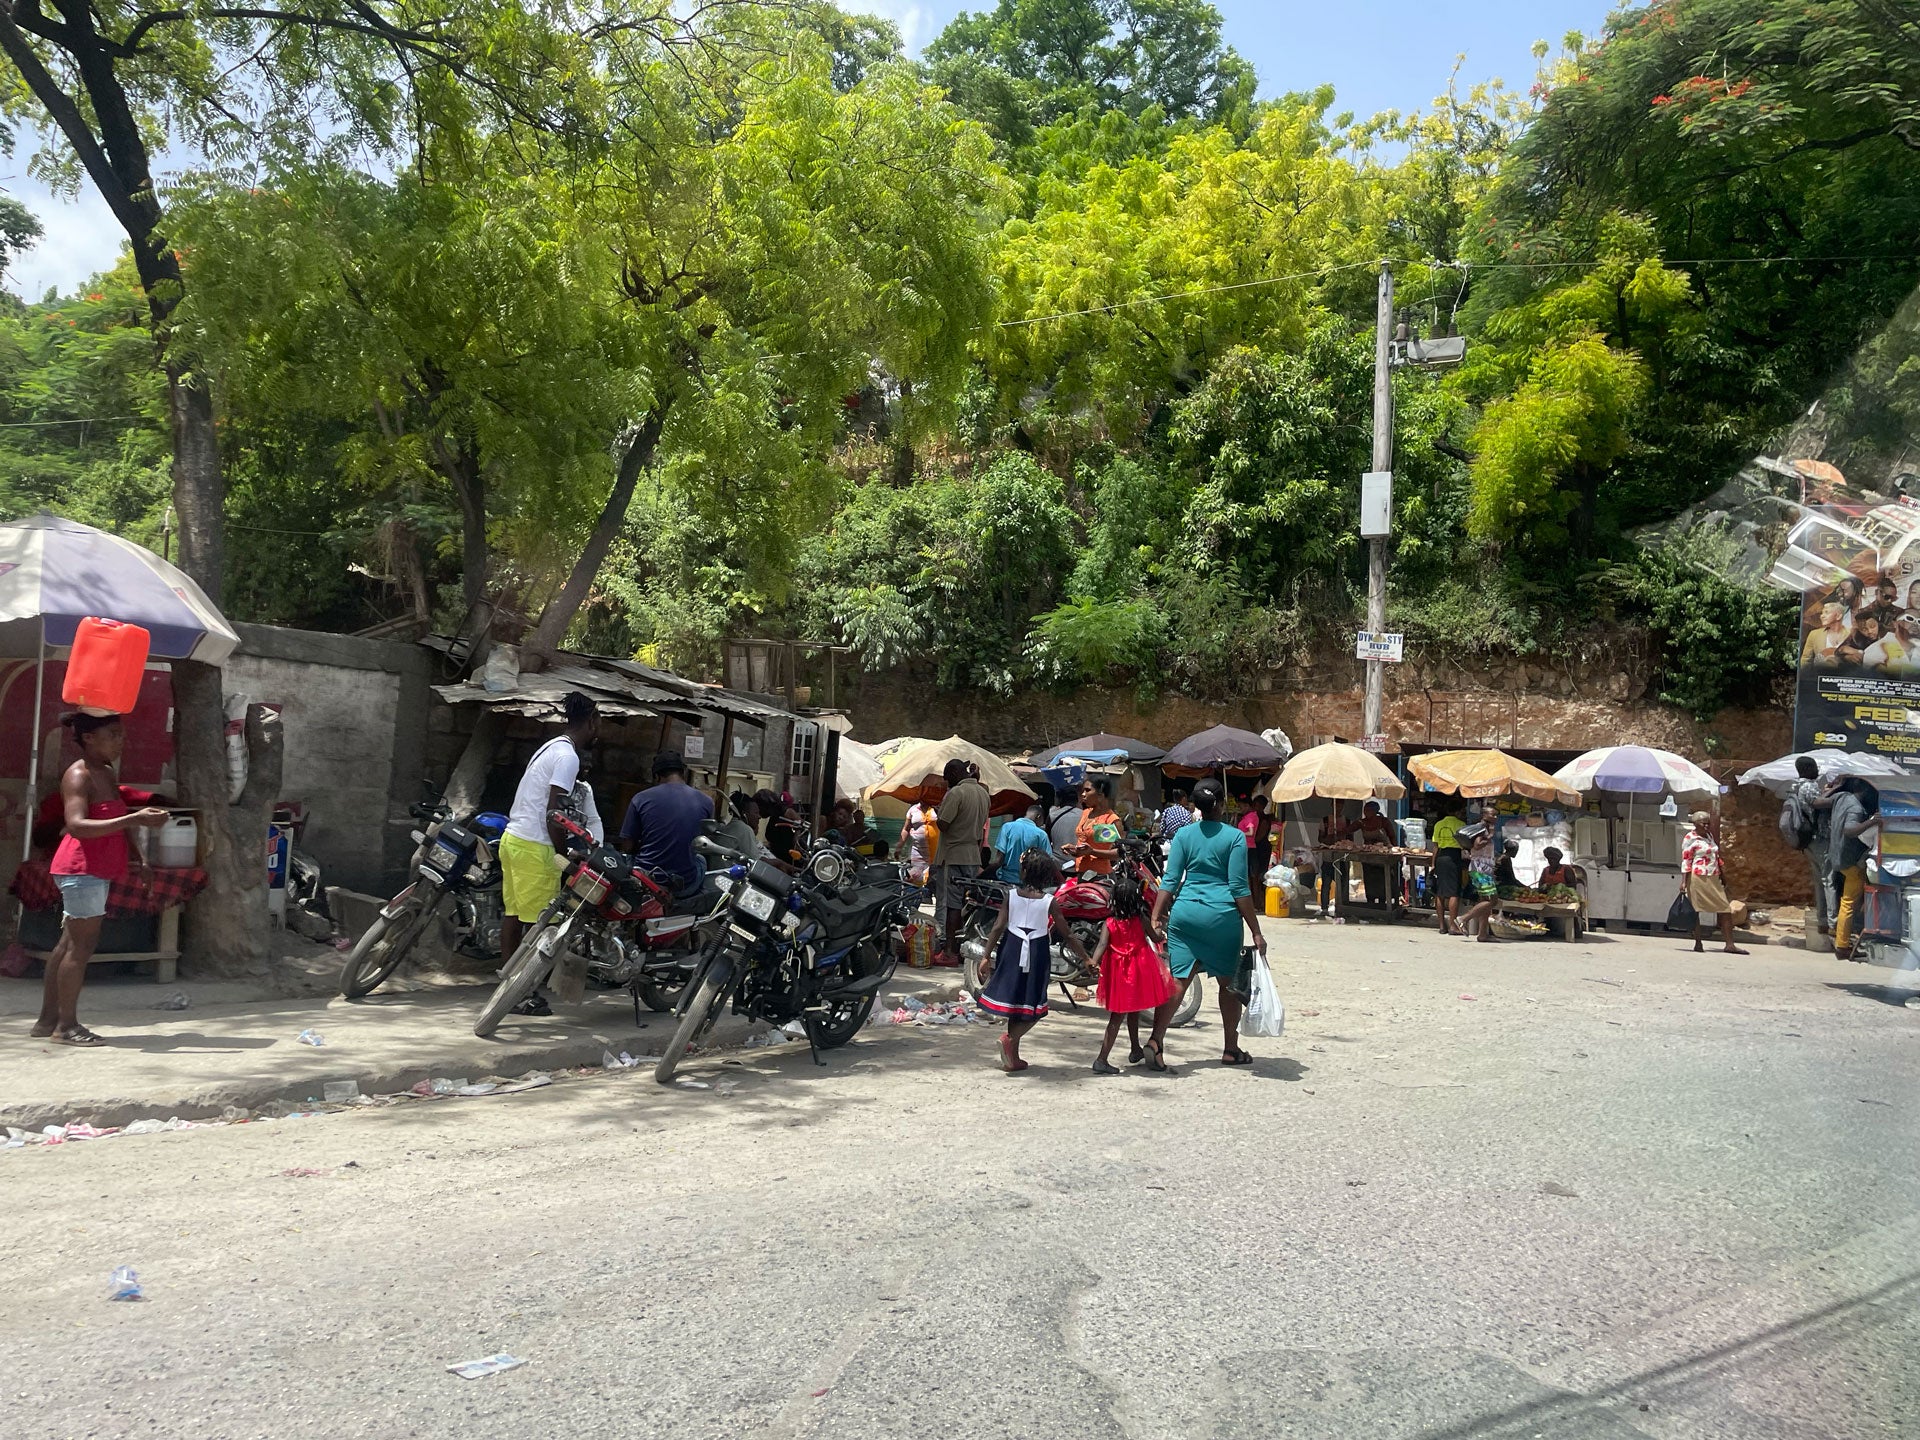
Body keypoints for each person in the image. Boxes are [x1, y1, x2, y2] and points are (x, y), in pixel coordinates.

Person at [32, 713, 169, 1046]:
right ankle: (67, 1027)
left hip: (96, 869)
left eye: (121, 735)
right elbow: (76, 825)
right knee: (80, 949)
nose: (120, 742)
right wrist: (135, 819)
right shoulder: (78, 776)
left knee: (67, 945)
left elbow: (118, 819)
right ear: (89, 738)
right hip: (81, 869)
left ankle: (47, 1021)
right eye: (113, 735)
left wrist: (139, 858)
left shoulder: (106, 772)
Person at [1150, 778, 1268, 1068]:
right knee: (1229, 984)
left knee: (1179, 979)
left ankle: (1156, 1040)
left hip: (1185, 914)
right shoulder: (1234, 837)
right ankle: (1230, 1048)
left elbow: (1171, 879)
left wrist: (1155, 916)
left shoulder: (1183, 836)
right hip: (1221, 917)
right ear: (1219, 803)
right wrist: (1256, 930)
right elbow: (1240, 888)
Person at [498, 690, 599, 1012]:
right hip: (535, 845)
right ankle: (521, 993)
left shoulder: (549, 746)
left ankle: (508, 985)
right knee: (539, 925)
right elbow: (555, 813)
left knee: (514, 916)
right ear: (593, 723)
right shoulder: (569, 758)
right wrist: (563, 855)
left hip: (513, 838)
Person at [976, 849, 1093, 1072]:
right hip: (1036, 952)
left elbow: (998, 927)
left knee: (1016, 1006)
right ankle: (1010, 1039)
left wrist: (985, 956)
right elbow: (1068, 934)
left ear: (1024, 871)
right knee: (1036, 1006)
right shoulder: (1050, 902)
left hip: (1011, 948)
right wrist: (1086, 958)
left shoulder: (1010, 895)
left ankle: (1013, 1056)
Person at [1090, 866, 1179, 1075]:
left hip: (1118, 973)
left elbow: (1102, 946)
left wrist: (1093, 962)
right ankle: (1101, 1059)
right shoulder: (1140, 920)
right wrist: (1160, 927)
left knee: (1128, 1011)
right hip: (1138, 971)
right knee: (1125, 1014)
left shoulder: (1109, 923)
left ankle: (1135, 1049)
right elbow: (1156, 938)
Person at [619, 750, 715, 896]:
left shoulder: (640, 799)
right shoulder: (707, 802)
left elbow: (627, 846)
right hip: (686, 884)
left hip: (647, 881)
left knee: (627, 858)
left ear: (657, 776)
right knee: (700, 858)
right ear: (683, 773)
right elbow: (706, 843)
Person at [934, 759, 990, 963]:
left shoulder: (956, 793)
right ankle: (960, 946)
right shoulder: (984, 794)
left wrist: (938, 812)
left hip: (953, 855)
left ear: (956, 772)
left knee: (952, 905)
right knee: (969, 903)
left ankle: (949, 952)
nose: (946, 780)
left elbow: (944, 824)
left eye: (948, 776)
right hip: (972, 857)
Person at [1680, 810, 1749, 956]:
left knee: (1725, 909)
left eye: (1708, 823)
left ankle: (1730, 944)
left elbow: (1716, 857)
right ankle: (1698, 942)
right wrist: (1683, 882)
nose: (1706, 826)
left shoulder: (1709, 836)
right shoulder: (1690, 838)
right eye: (1703, 823)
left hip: (1713, 876)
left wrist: (1723, 875)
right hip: (1698, 877)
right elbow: (1686, 860)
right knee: (1696, 910)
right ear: (1695, 824)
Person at [1827, 775, 1879, 960]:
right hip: (1851, 862)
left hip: (1837, 856)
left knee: (1848, 902)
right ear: (1864, 790)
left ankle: (1842, 936)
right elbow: (1849, 831)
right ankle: (1842, 946)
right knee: (1849, 904)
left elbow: (1819, 801)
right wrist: (1872, 822)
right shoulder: (1856, 808)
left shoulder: (1842, 798)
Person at [1789, 756, 1834, 938]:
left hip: (1808, 840)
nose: (1818, 770)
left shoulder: (1796, 785)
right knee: (1828, 879)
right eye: (1815, 767)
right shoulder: (1808, 785)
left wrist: (1828, 791)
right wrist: (1838, 796)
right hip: (1819, 839)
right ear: (1808, 769)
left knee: (1819, 880)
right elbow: (1817, 803)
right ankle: (1831, 921)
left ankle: (1822, 919)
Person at [1067, 778, 1120, 877]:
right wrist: (1075, 850)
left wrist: (1092, 851)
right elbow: (1088, 845)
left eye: (1087, 790)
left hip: (1099, 876)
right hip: (1081, 873)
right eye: (1083, 791)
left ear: (1100, 795)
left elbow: (1117, 853)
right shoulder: (1086, 813)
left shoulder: (1108, 819)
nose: (1083, 794)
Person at [1430, 800, 1467, 935]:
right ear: (1457, 812)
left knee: (1439, 892)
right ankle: (1452, 926)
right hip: (1453, 858)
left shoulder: (1439, 824)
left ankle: (1441, 926)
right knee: (1454, 893)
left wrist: (1433, 864)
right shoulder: (1461, 825)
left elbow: (1435, 846)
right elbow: (1464, 845)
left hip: (1440, 857)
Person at [1353, 800, 1399, 907]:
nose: (1365, 812)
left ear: (1374, 811)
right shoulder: (1361, 822)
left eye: (1368, 810)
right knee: (1369, 881)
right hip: (1368, 857)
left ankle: (1383, 904)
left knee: (1382, 882)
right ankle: (1371, 903)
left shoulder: (1384, 822)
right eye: (1365, 810)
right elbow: (1349, 829)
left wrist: (1394, 849)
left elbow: (1392, 836)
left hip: (1382, 857)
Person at [993, 802, 1052, 884]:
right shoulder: (1041, 834)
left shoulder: (1007, 827)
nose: (1042, 824)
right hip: (1029, 883)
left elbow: (999, 860)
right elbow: (1047, 862)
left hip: (1005, 880)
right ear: (1039, 817)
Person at [1238, 795, 1275, 909]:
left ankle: (1259, 903)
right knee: (1252, 876)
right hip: (1255, 847)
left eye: (1258, 806)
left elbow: (1257, 836)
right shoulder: (1250, 817)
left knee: (1258, 876)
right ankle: (1255, 902)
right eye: (1255, 805)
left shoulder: (1262, 819)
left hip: (1261, 849)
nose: (1256, 808)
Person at [1315, 802, 1351, 918]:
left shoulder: (1347, 821)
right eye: (1336, 805)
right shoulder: (1325, 821)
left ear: (1343, 807)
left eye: (1340, 805)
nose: (1338, 808)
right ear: (1332, 806)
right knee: (1326, 884)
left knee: (1343, 884)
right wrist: (1329, 838)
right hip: (1328, 857)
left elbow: (1350, 839)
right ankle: (1324, 908)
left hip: (1342, 858)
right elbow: (1320, 838)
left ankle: (1342, 907)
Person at [897, 793, 937, 886]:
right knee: (916, 879)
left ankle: (929, 896)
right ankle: (918, 897)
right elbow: (906, 829)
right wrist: (899, 847)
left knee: (933, 880)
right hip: (917, 853)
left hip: (935, 854)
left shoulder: (937, 809)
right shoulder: (913, 810)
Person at [1864, 611, 1920, 676]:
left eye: (1919, 621)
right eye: (1910, 619)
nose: (1915, 624)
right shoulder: (1875, 650)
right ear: (1895, 623)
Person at [1799, 602, 1851, 667]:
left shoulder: (1851, 635)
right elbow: (1806, 660)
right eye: (1822, 613)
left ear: (1838, 616)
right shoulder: (1814, 634)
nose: (1822, 616)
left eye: (1826, 612)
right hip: (1821, 675)